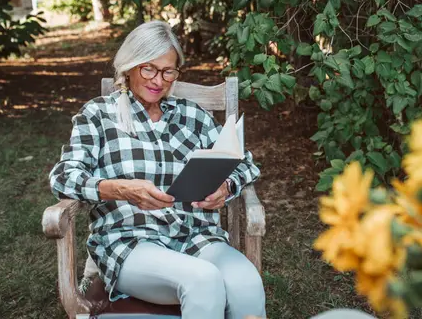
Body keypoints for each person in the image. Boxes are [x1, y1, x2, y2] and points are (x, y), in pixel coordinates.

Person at [49, 20, 265, 319]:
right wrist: (122, 188)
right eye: (148, 68)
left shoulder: (193, 116)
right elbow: (63, 177)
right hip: (131, 242)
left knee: (247, 283)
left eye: (168, 71)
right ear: (129, 67)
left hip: (196, 237)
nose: (158, 80)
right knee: (203, 280)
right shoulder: (99, 114)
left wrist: (226, 187)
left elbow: (246, 162)